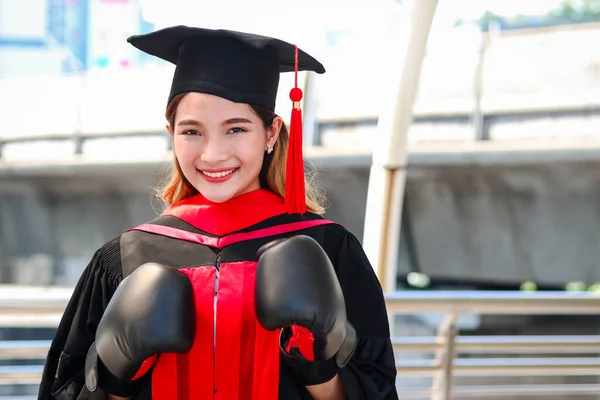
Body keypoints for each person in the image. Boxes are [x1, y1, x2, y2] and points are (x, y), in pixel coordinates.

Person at [38, 25, 398, 400]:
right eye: (191, 132)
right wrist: (116, 377)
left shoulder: (330, 248)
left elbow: (379, 389)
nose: (212, 155)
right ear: (170, 132)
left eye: (236, 129)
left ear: (272, 132)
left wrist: (317, 366)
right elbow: (62, 390)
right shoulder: (125, 257)